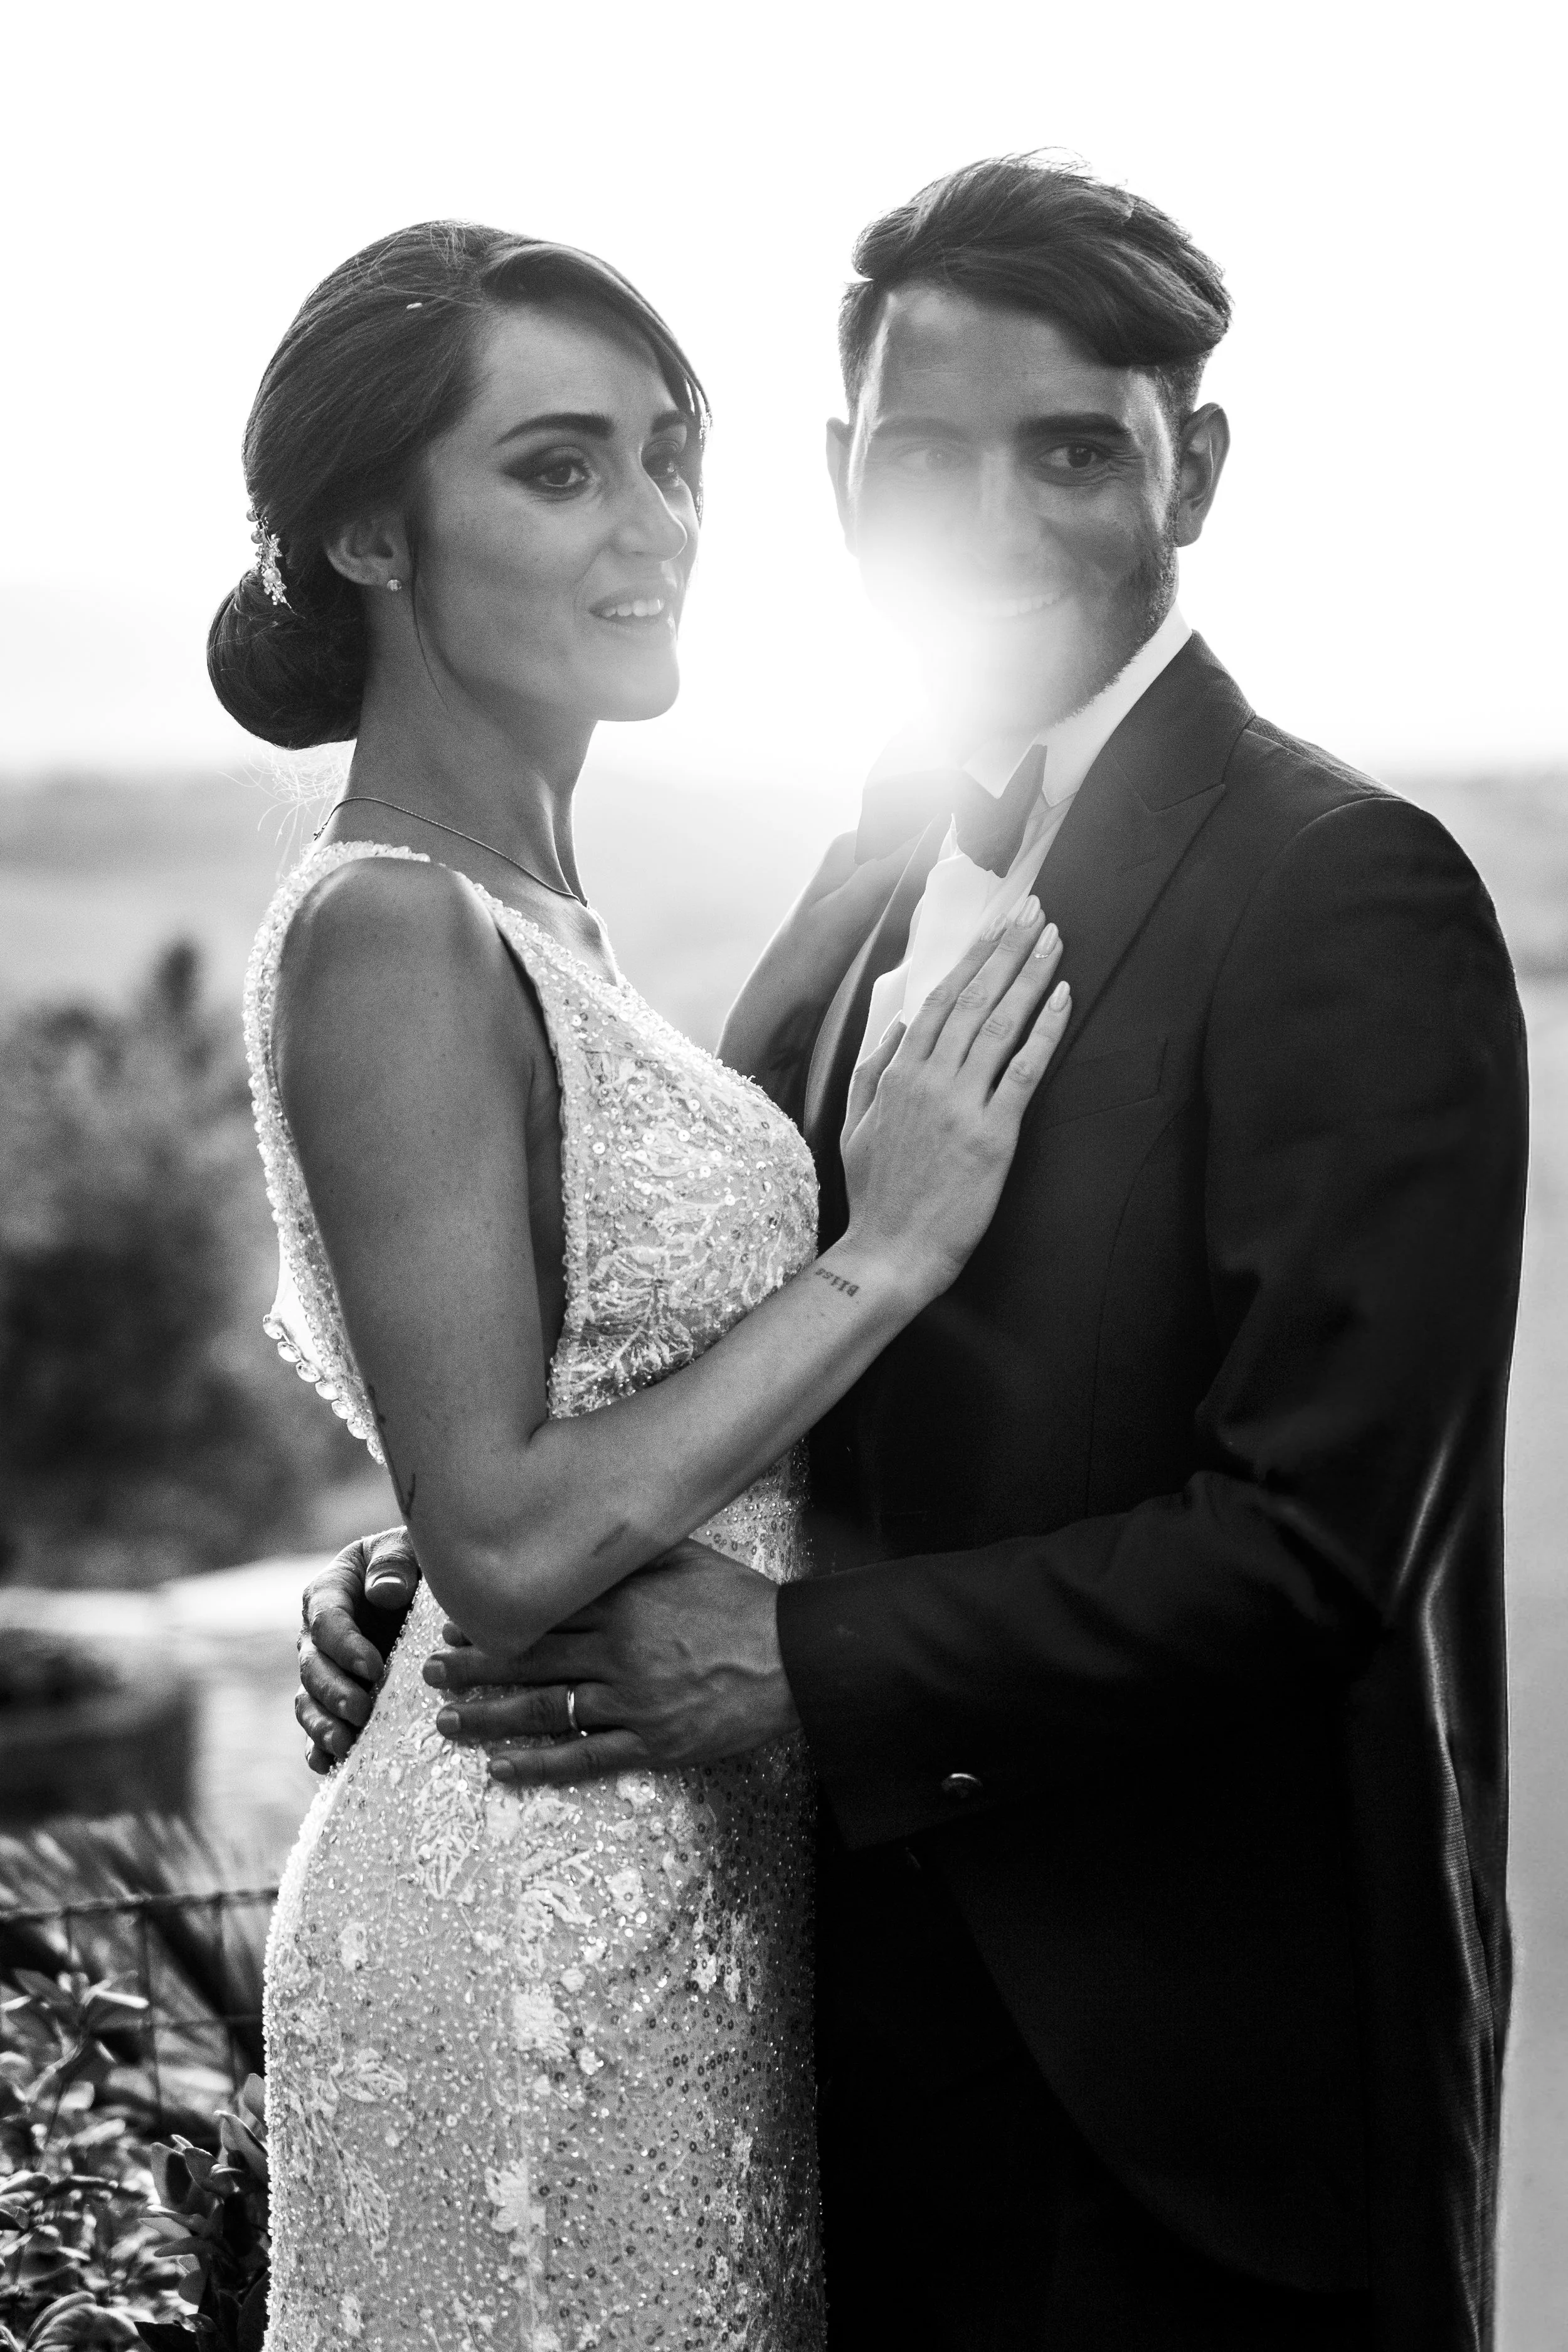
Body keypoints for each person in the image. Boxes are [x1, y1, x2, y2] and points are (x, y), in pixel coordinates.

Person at [300, 162, 1528, 2350]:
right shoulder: (878, 835)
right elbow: (746, 1320)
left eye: (1070, 447)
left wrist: (787, 1661)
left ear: (1194, 465)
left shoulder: (1347, 892)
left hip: (1187, 2110)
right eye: (923, 454)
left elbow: (1312, 1553)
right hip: (836, 2052)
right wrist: (457, 1567)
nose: (984, 513)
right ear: (845, 477)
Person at [217, 218, 1074, 2351]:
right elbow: (509, 1536)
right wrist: (884, 1252)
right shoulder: (391, 932)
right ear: (368, 538)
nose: (655, 526)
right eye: (559, 465)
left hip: (679, 1911)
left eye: (669, 458)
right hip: (519, 1919)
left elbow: (519, 1416)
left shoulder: (543, 921)